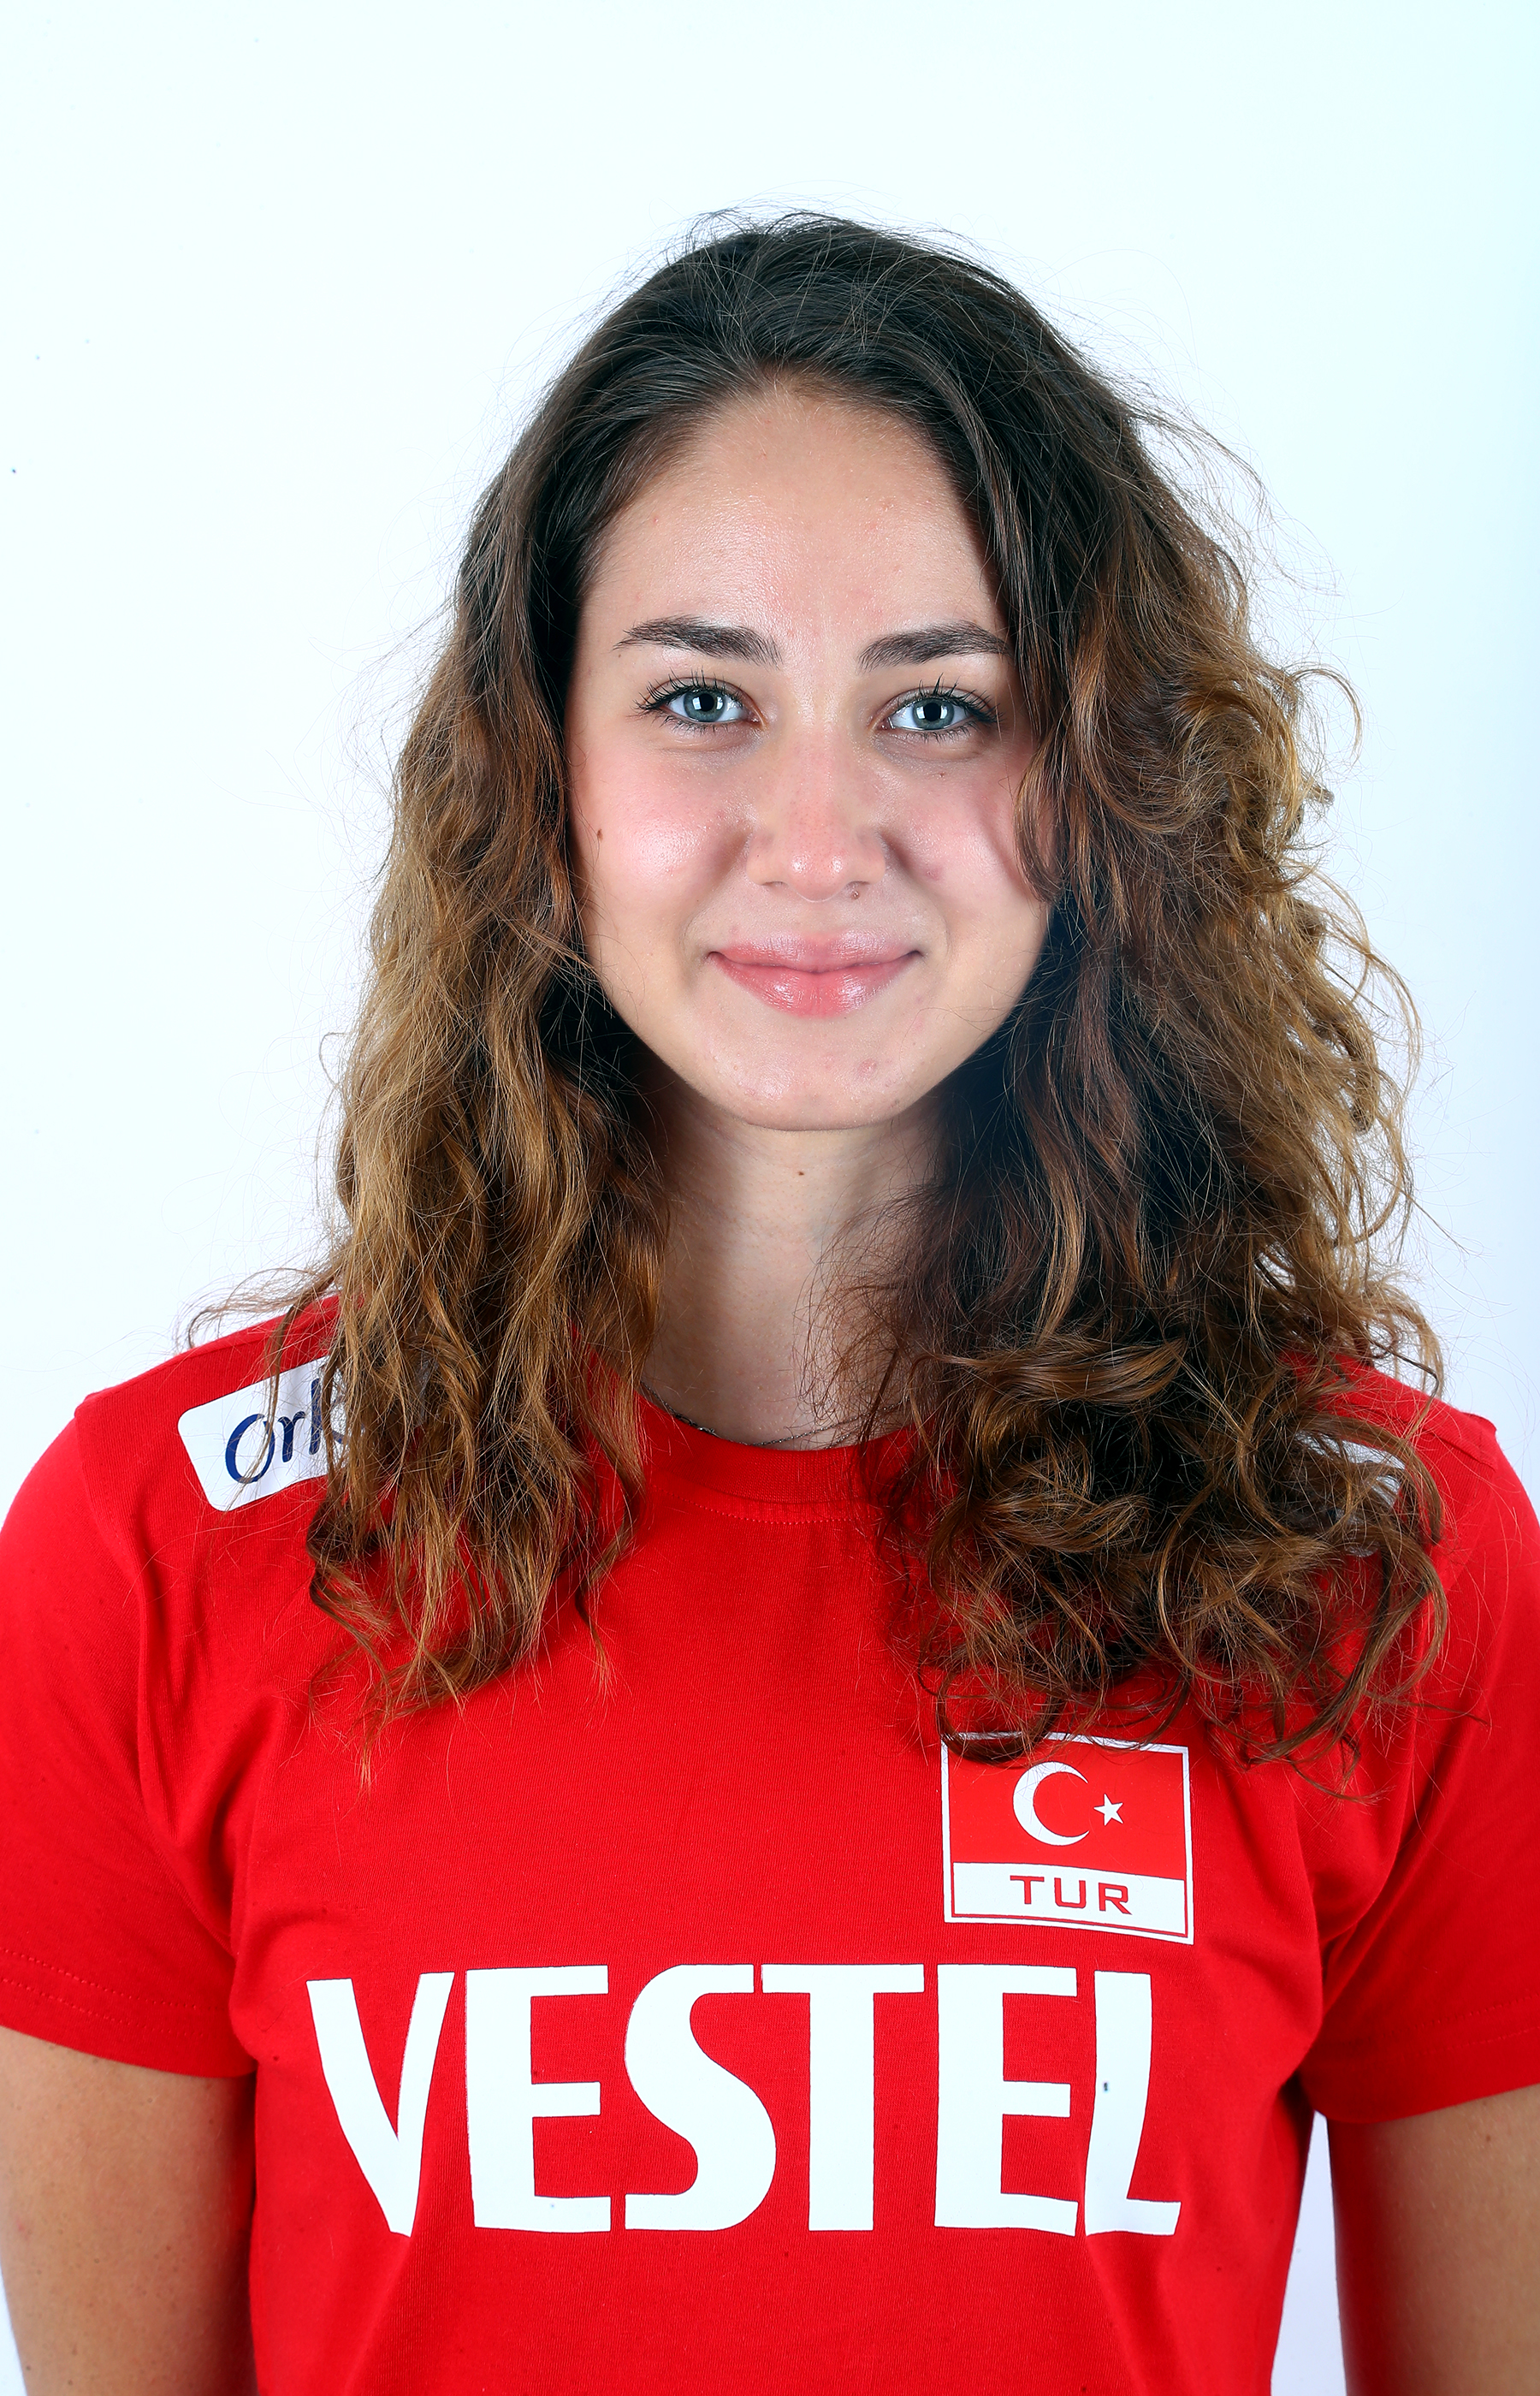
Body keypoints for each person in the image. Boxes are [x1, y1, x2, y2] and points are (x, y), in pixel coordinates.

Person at [0, 216, 1535, 2396]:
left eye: (939, 705)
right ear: (540, 774)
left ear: (1098, 788)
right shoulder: (159, 1554)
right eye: (702, 699)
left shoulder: (1378, 1563)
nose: (818, 839)